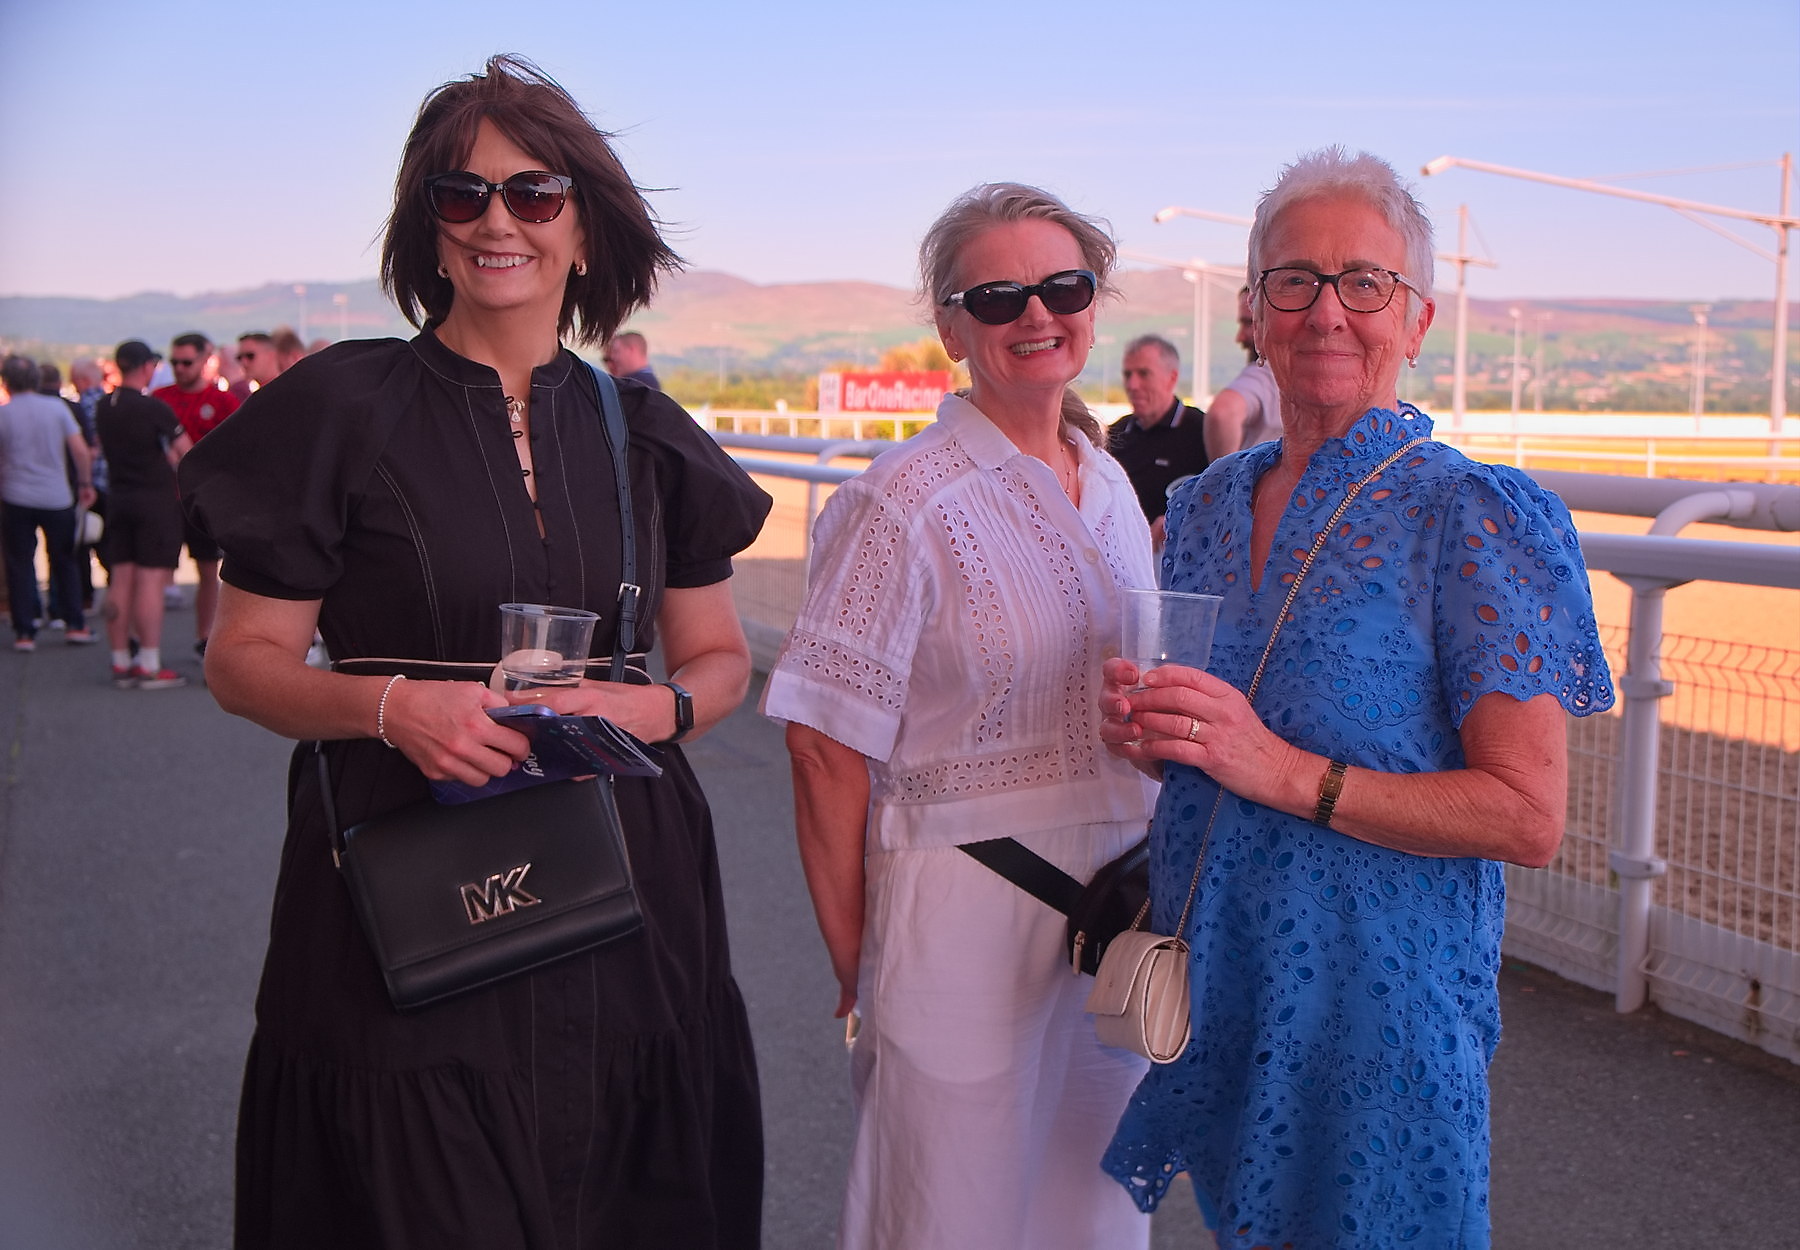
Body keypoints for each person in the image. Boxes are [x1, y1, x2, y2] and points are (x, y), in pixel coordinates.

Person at [179, 55, 770, 1248]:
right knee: (421, 1195)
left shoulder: (646, 431)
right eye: (463, 195)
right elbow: (241, 658)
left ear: (587, 231)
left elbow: (716, 655)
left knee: (624, 1194)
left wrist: (663, 711)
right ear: (430, 232)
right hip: (405, 883)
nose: (499, 219)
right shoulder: (342, 409)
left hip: (627, 886)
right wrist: (395, 707)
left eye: (535, 193)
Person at [1097, 147, 1616, 1249]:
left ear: (1417, 318)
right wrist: (1158, 736)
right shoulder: (1204, 503)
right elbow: (1213, 742)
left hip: (1379, 1011)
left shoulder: (1474, 517)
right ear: (1254, 314)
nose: (1328, 310)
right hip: (1224, 980)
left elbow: (1526, 815)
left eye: (1365, 282)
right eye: (1295, 280)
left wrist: (1271, 764)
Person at [764, 182, 1157, 1250]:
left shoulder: (1111, 485)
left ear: (1092, 302)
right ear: (951, 327)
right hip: (966, 910)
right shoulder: (905, 498)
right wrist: (857, 957)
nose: (1037, 314)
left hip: (1114, 919)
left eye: (1063, 286)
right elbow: (822, 741)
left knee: (1094, 1208)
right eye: (998, 295)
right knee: (948, 1211)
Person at [96, 340, 192, 688]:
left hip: (118, 497)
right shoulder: (154, 408)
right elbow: (186, 453)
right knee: (151, 579)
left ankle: (120, 659)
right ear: (147, 366)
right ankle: (148, 662)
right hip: (153, 500)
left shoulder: (105, 406)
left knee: (120, 578)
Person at [0, 355, 96, 649]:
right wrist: (85, 482)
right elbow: (80, 451)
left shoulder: (5, 414)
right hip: (56, 495)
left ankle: (25, 630)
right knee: (65, 560)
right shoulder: (56, 408)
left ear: (6, 382)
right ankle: (74, 623)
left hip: (15, 495)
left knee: (19, 563)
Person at [153, 333, 241, 654]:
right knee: (152, 572)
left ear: (206, 361)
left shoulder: (223, 402)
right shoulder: (159, 398)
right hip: (163, 499)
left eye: (186, 362)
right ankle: (148, 650)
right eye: (174, 362)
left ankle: (206, 638)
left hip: (202, 501)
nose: (179, 368)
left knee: (208, 570)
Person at [1107, 333, 1209, 545]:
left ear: (1171, 378)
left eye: (1143, 374)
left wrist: (1178, 521)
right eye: (1128, 375)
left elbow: (1221, 501)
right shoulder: (1116, 434)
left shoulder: (1202, 432)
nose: (1133, 385)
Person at [1205, 286, 1282, 455]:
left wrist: (1225, 477)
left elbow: (1222, 413)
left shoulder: (1267, 373)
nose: (1239, 337)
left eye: (1249, 323)